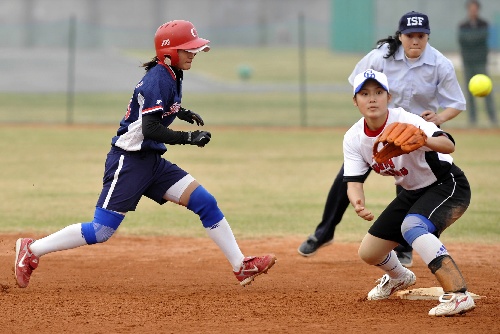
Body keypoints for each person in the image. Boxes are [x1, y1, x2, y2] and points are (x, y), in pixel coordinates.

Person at [14, 20, 276, 289]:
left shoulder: (172, 74)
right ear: (168, 52)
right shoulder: (157, 78)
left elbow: (156, 109)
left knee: (205, 202)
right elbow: (150, 128)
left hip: (151, 162)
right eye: (187, 50)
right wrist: (189, 138)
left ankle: (240, 266)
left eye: (193, 49)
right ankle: (31, 250)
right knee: (101, 230)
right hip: (128, 161)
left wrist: (181, 112)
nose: (193, 54)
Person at [298, 11, 466, 268]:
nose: (415, 41)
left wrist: (437, 118)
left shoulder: (440, 64)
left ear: (428, 37)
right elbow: (357, 80)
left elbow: (456, 103)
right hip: (379, 129)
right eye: (410, 36)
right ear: (400, 36)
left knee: (411, 182)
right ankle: (324, 232)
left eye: (421, 36)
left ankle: (404, 247)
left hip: (415, 134)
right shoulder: (381, 56)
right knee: (348, 177)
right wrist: (372, 100)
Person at [344, 68, 475, 316]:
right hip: (412, 192)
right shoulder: (353, 137)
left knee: (412, 226)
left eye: (378, 92)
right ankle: (399, 277)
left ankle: (459, 295)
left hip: (446, 185)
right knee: (369, 252)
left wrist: (423, 137)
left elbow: (449, 145)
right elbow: (353, 181)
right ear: (355, 101)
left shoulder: (407, 120)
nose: (372, 98)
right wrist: (357, 201)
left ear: (388, 97)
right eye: (364, 93)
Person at [458, 0, 497, 126]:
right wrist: (475, 38)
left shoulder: (483, 24)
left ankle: (493, 118)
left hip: (481, 62)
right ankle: (472, 120)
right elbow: (463, 41)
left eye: (475, 8)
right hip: (468, 62)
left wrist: (472, 38)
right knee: (469, 94)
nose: (473, 11)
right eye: (471, 8)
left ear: (478, 9)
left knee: (487, 91)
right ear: (468, 10)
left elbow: (482, 38)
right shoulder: (463, 26)